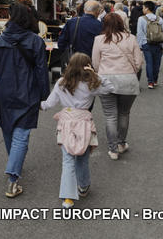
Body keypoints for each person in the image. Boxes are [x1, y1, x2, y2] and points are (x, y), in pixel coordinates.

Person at [0, 3, 50, 199]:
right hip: (28, 91)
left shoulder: (0, 40)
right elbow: (41, 71)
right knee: (21, 134)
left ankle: (14, 166)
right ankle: (13, 178)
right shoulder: (35, 41)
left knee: (8, 130)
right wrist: (43, 96)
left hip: (5, 91)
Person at [41, 52, 113, 209]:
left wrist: (35, 105)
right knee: (82, 157)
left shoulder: (61, 83)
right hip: (84, 123)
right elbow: (110, 88)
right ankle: (83, 186)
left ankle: (67, 198)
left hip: (66, 123)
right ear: (87, 67)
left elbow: (47, 104)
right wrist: (95, 74)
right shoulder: (91, 85)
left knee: (67, 161)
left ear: (70, 65)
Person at [91, 13, 144, 161]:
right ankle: (121, 143)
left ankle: (113, 149)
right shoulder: (131, 38)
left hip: (106, 79)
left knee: (110, 115)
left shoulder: (99, 40)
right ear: (121, 23)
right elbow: (139, 62)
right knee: (124, 113)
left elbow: (95, 62)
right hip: (128, 80)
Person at [136, 1, 163, 89]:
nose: (143, 9)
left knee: (149, 63)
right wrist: (162, 45)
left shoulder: (141, 19)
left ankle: (150, 82)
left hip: (146, 43)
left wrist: (139, 46)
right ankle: (155, 80)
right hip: (158, 43)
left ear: (147, 8)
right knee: (157, 63)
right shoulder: (160, 19)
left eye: (144, 8)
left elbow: (140, 33)